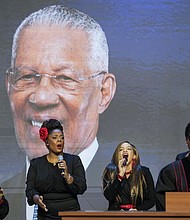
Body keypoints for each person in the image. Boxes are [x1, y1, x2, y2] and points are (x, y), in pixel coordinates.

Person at [3, 5, 116, 219]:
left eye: (65, 78)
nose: (41, 97)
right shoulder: (5, 195)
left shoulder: (120, 194)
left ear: (104, 92)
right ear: (9, 86)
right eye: (27, 76)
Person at [26, 118, 87, 219]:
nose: (59, 140)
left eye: (62, 138)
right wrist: (37, 199)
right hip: (45, 215)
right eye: (54, 137)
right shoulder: (36, 164)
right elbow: (30, 190)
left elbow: (82, 187)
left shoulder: (74, 160)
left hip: (70, 214)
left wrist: (68, 177)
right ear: (47, 142)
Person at [102, 141, 155, 211]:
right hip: (116, 215)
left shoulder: (144, 172)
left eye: (129, 149)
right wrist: (120, 176)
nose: (125, 150)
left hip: (137, 215)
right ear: (117, 155)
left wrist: (137, 209)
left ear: (134, 156)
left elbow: (151, 200)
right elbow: (109, 196)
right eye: (121, 149)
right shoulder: (110, 171)